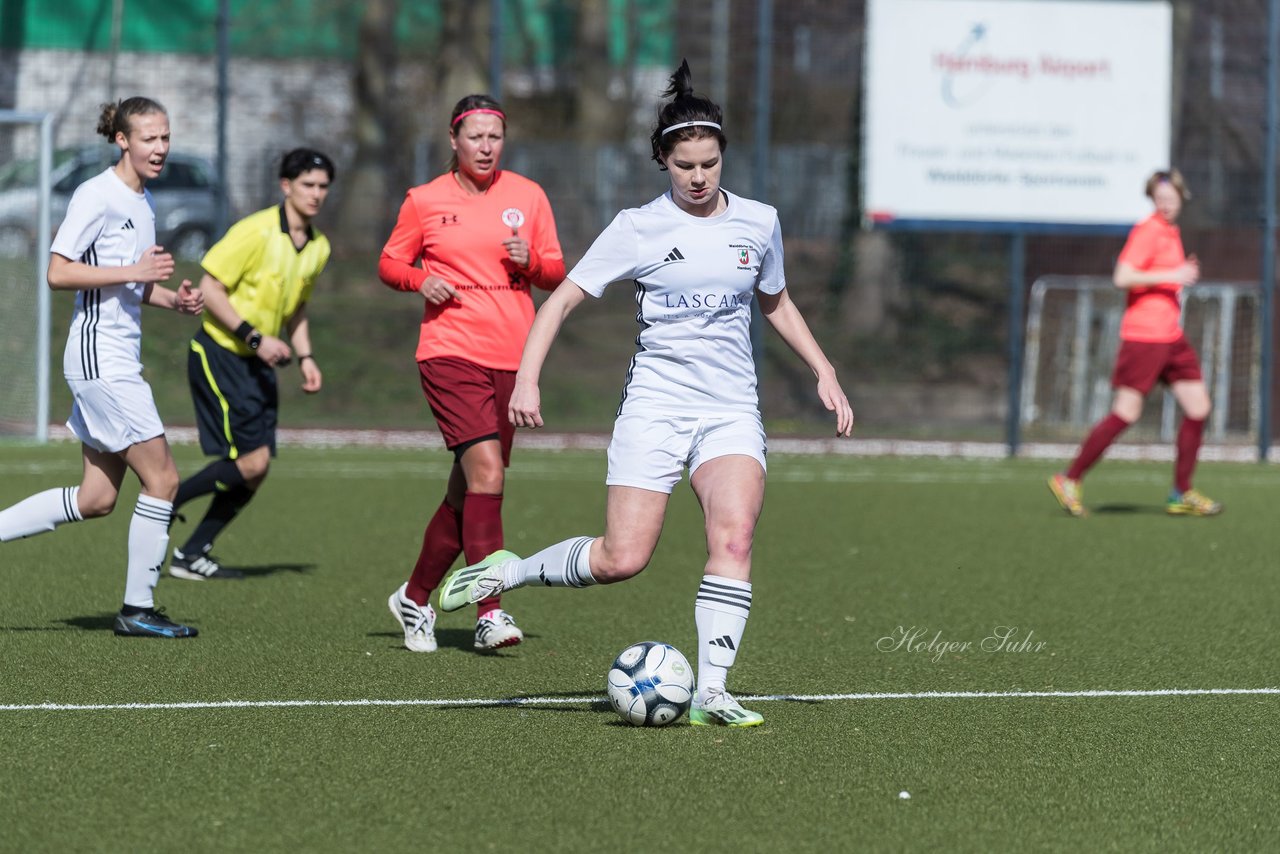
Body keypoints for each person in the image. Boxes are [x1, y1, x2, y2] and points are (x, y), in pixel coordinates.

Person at [436, 61, 854, 727]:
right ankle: (509, 574)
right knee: (620, 558)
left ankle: (713, 691)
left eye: (710, 163)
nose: (698, 176)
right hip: (654, 409)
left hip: (730, 412)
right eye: (685, 164)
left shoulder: (759, 223)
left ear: (723, 158)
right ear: (663, 159)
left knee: (736, 535)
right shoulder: (638, 228)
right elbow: (561, 301)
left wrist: (823, 370)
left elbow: (775, 302)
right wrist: (529, 376)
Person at [0, 97, 204, 637]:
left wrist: (170, 301)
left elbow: (131, 284)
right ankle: (138, 609)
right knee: (163, 479)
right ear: (122, 140)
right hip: (100, 359)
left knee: (97, 499)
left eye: (165, 137)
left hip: (114, 356)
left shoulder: (142, 199)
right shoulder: (97, 195)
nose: (160, 147)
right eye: (149, 138)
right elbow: (58, 273)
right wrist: (134, 269)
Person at [379, 94, 565, 653]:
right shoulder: (424, 200)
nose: (486, 146)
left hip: (514, 358)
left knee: (468, 493)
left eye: (495, 137)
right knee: (488, 474)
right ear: (454, 142)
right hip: (450, 351)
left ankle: (414, 598)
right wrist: (419, 281)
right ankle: (490, 612)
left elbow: (556, 273)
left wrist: (528, 260)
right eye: (475, 137)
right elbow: (390, 262)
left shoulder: (528, 196)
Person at [169, 148, 335, 578]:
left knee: (255, 472)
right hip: (221, 352)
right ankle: (166, 497)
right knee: (253, 461)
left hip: (259, 363)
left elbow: (297, 309)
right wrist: (255, 338)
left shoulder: (318, 247)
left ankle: (191, 554)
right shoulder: (256, 231)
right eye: (308, 185)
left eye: (322, 187)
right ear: (286, 186)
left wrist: (307, 357)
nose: (316, 194)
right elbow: (210, 289)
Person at [1049, 168, 1221, 518]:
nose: (1166, 204)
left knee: (1198, 407)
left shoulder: (1170, 232)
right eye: (1160, 199)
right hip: (1144, 338)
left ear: (1182, 197)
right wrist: (1171, 275)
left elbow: (1160, 276)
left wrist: (1179, 272)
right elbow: (1122, 276)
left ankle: (1181, 492)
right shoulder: (1148, 231)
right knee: (1127, 412)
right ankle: (1069, 478)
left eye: (1171, 198)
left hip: (1170, 337)